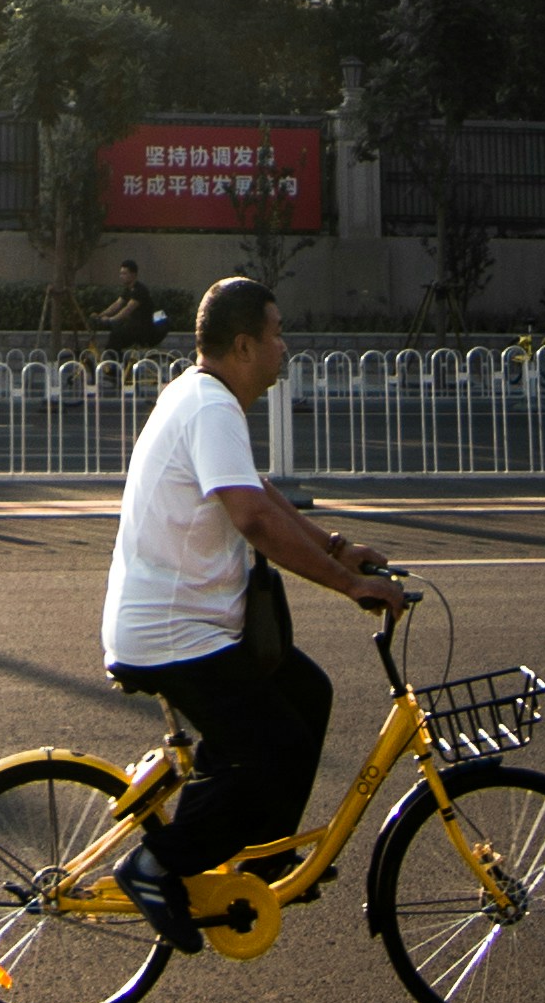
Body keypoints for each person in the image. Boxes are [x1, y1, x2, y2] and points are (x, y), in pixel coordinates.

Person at [99, 274, 404, 943]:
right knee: (275, 745)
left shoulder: (205, 397)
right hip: (173, 636)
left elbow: (258, 494)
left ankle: (264, 853)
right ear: (243, 345)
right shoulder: (210, 407)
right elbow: (253, 523)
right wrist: (346, 585)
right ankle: (156, 866)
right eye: (275, 333)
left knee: (308, 694)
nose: (284, 345)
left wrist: (336, 548)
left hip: (196, 627)